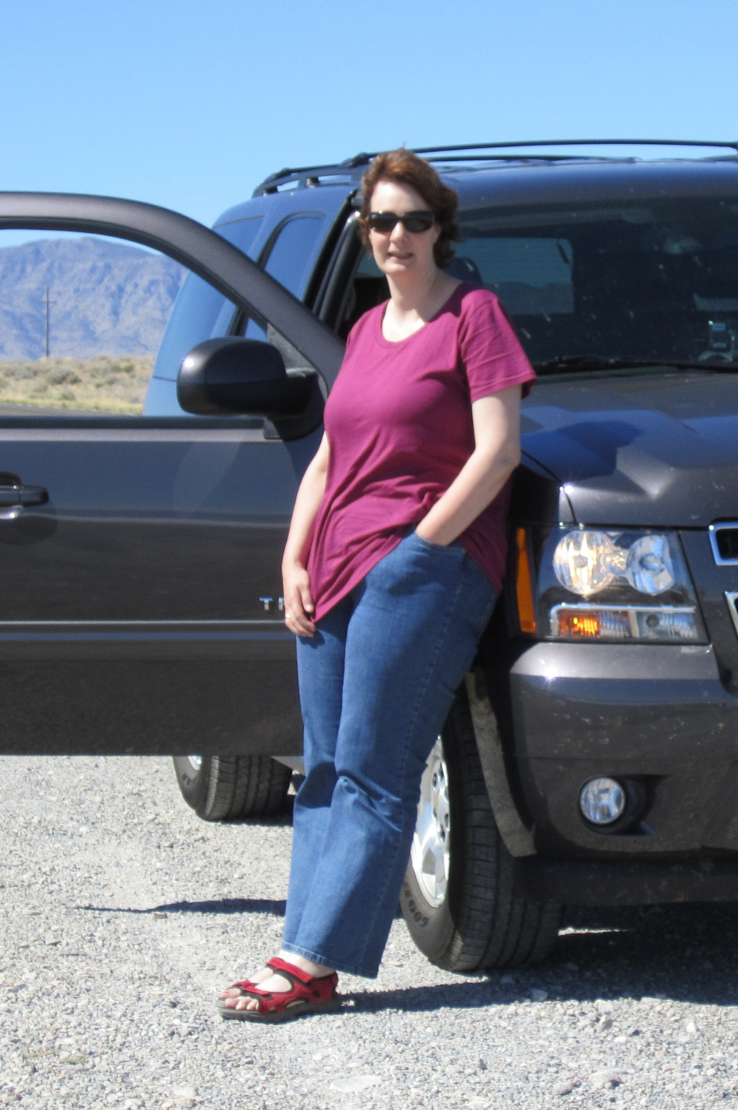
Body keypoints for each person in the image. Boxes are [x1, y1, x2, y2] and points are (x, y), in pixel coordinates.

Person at [219, 149, 535, 1021]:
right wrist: (294, 553)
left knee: (371, 767)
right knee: (322, 767)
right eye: (381, 222)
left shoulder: (474, 317)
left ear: (442, 228)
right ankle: (306, 950)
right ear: (365, 232)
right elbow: (331, 452)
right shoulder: (363, 330)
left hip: (420, 571)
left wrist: (421, 548)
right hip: (331, 565)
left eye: (413, 220)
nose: (396, 236)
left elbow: (498, 449)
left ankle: (308, 958)